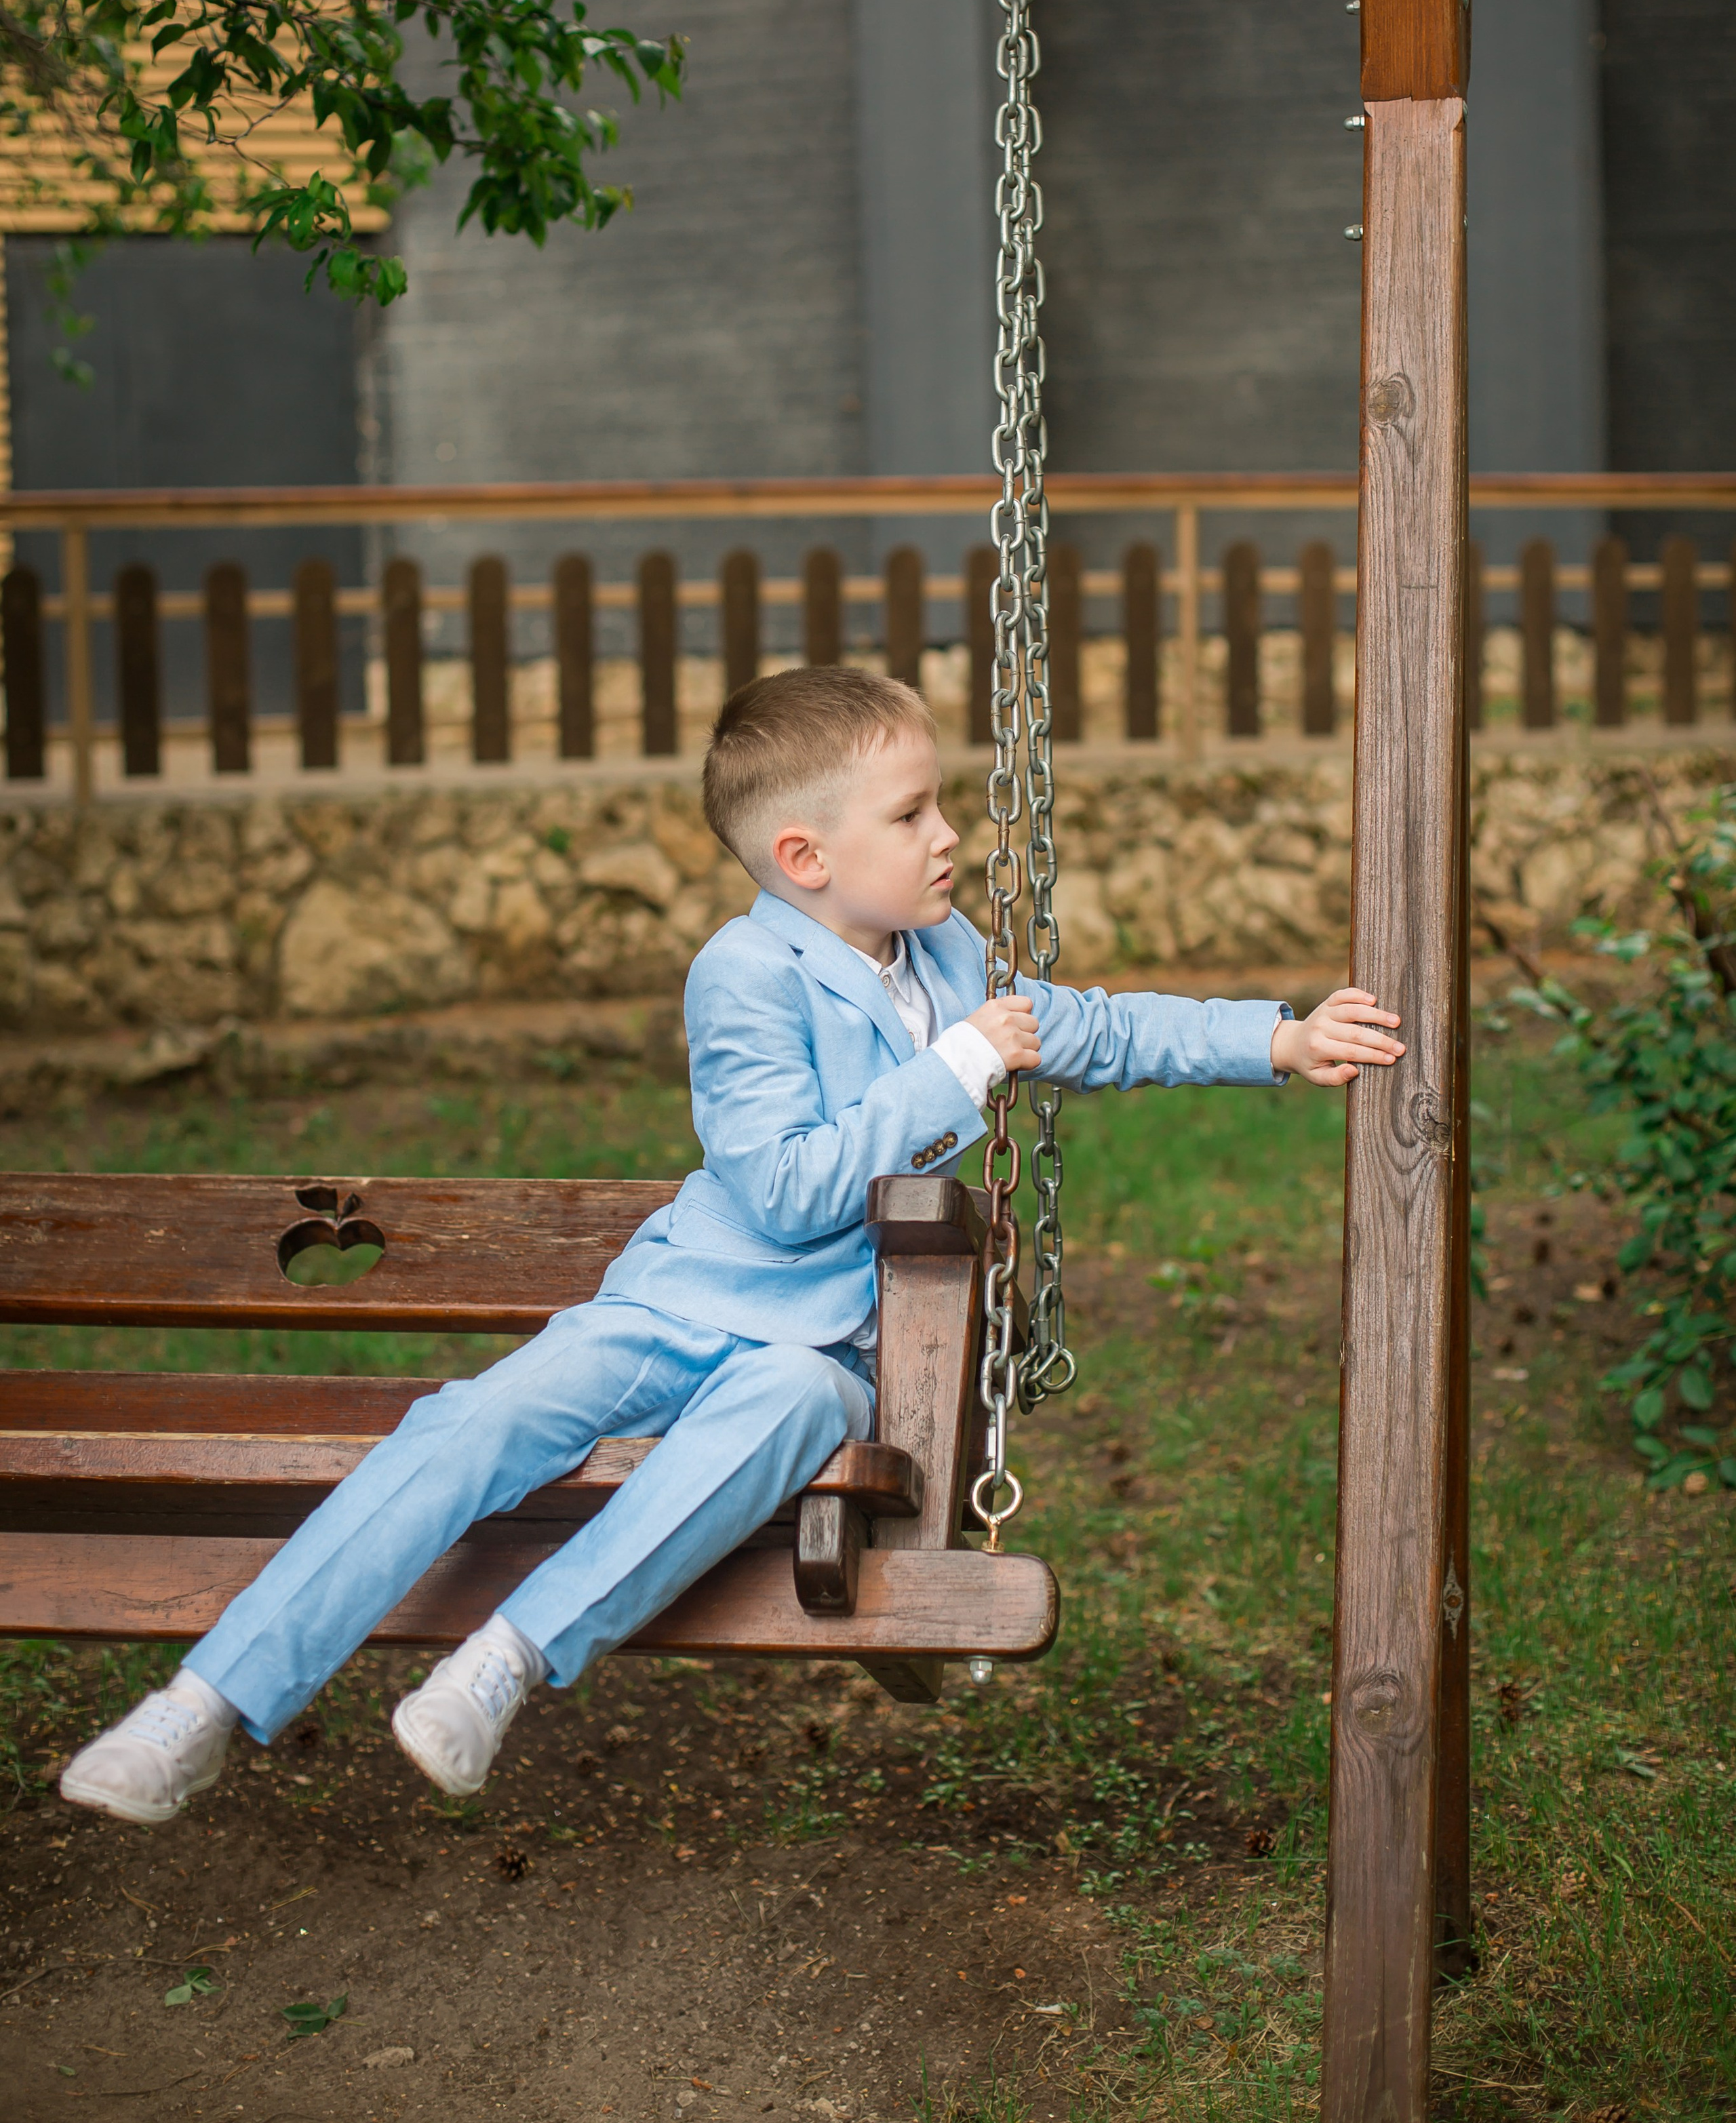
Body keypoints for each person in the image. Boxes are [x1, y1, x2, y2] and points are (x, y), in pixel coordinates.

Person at [60, 666, 1402, 1827]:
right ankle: (202, 1704)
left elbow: (1095, 1026)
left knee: (791, 1405)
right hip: (676, 1306)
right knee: (469, 1427)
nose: (947, 834)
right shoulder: (745, 973)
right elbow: (783, 1190)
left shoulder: (945, 958)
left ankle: (506, 1661)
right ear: (805, 858)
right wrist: (955, 1071)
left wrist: (1277, 1038)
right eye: (911, 814)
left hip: (820, 1356)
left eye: (938, 804)